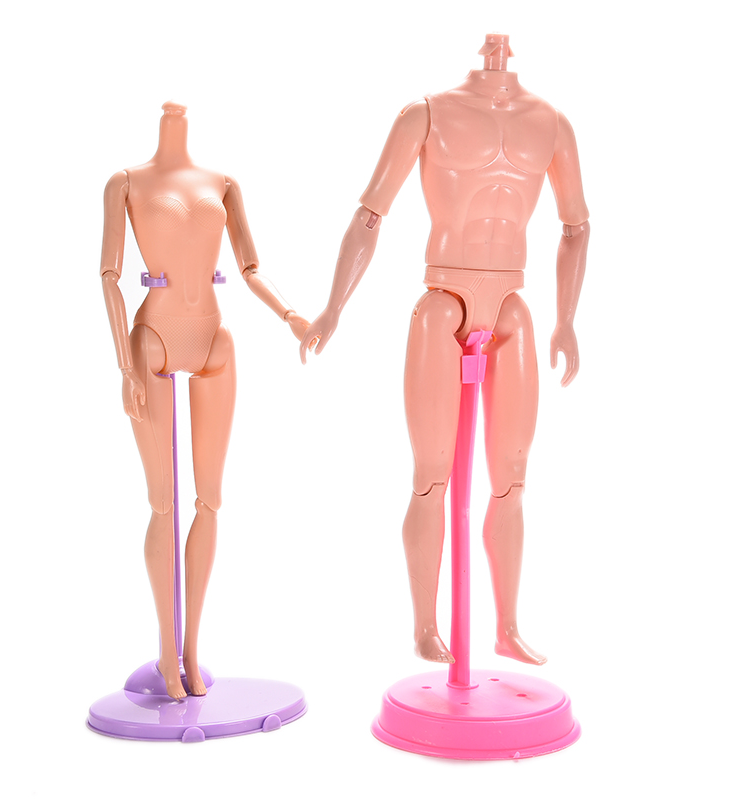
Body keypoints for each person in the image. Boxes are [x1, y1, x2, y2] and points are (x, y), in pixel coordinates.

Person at [300, 35, 589, 666]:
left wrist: (566, 319)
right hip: (443, 303)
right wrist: (334, 306)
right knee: (431, 475)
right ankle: (425, 627)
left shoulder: (552, 123)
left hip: (511, 305)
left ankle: (506, 627)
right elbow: (370, 214)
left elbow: (576, 226)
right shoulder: (426, 113)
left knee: (512, 477)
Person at [100, 101, 308, 699]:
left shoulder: (224, 182)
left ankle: (192, 649)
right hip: (153, 339)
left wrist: (291, 316)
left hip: (214, 337)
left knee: (210, 501)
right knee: (163, 502)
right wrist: (124, 366)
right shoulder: (126, 182)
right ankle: (167, 653)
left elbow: (251, 267)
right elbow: (109, 276)